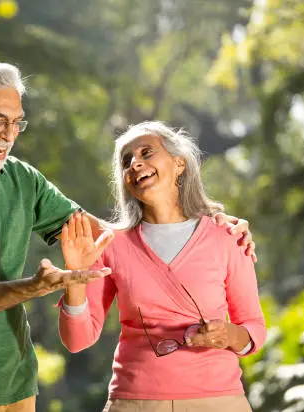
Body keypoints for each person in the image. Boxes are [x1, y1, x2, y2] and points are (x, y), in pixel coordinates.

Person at [0, 58, 255, 412]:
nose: (9, 135)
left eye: (17, 123)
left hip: (15, 385)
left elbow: (108, 239)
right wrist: (37, 285)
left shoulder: (21, 178)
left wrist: (211, 226)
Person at [58, 121, 266, 412]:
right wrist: (75, 279)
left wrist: (227, 335)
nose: (135, 164)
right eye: (126, 161)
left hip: (217, 400)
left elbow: (253, 326)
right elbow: (77, 340)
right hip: (134, 401)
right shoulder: (111, 245)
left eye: (146, 153)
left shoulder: (228, 236)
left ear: (179, 164)